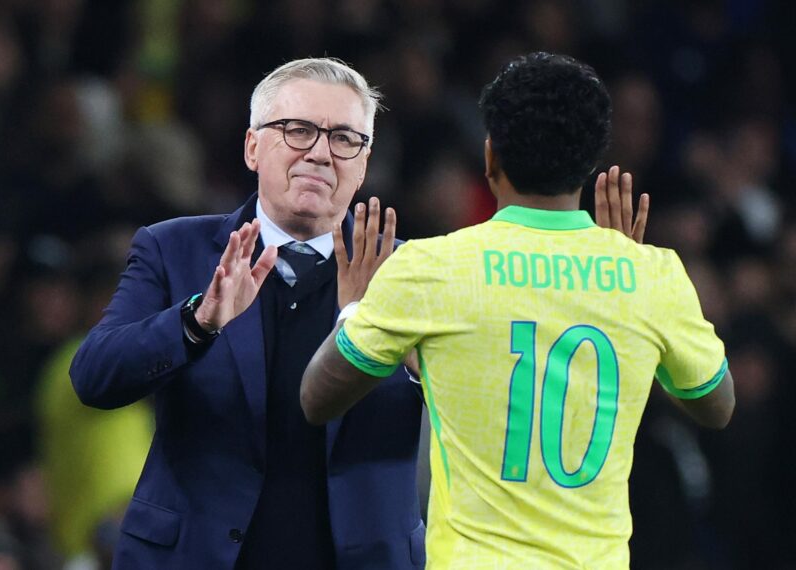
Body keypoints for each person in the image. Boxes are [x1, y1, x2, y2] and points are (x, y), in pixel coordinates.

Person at [301, 52, 736, 569]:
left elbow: (316, 399)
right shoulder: (652, 274)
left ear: (490, 157)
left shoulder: (430, 268)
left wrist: (354, 308)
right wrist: (628, 308)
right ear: (590, 162)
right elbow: (716, 405)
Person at [69, 58, 427, 570]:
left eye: (346, 138)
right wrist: (196, 324)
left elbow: (479, 413)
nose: (321, 153)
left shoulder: (412, 271)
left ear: (364, 162)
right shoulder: (174, 249)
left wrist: (403, 349)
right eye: (299, 131)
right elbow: (94, 377)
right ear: (252, 147)